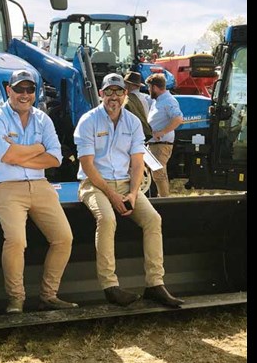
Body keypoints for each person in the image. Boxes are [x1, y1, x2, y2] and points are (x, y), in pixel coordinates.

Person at [73, 73, 184, 308]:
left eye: (119, 92)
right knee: (107, 218)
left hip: (125, 184)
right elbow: (87, 165)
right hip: (93, 184)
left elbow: (137, 162)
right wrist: (112, 195)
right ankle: (110, 286)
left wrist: (133, 194)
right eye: (109, 92)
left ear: (125, 95)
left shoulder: (133, 123)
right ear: (101, 94)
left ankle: (155, 284)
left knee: (153, 219)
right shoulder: (88, 121)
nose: (114, 97)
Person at [0, 69, 77, 314]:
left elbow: (55, 159)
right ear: (8, 90)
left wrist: (19, 155)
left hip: (40, 186)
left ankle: (49, 295)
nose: (25, 94)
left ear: (35, 92)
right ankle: (16, 299)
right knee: (16, 240)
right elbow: (7, 155)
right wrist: (38, 147)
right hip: (5, 188)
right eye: (19, 89)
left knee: (64, 238)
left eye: (29, 89)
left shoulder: (43, 119)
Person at [145, 73, 184, 197]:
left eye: (149, 87)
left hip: (161, 144)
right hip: (155, 144)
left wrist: (162, 132)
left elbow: (178, 119)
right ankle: (161, 199)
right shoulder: (159, 101)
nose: (148, 90)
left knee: (159, 174)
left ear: (155, 87)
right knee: (156, 175)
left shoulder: (168, 100)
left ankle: (165, 202)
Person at [122, 71, 153, 142]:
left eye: (125, 84)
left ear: (130, 85)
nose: (124, 86)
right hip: (143, 135)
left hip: (132, 136)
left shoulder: (127, 100)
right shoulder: (145, 98)